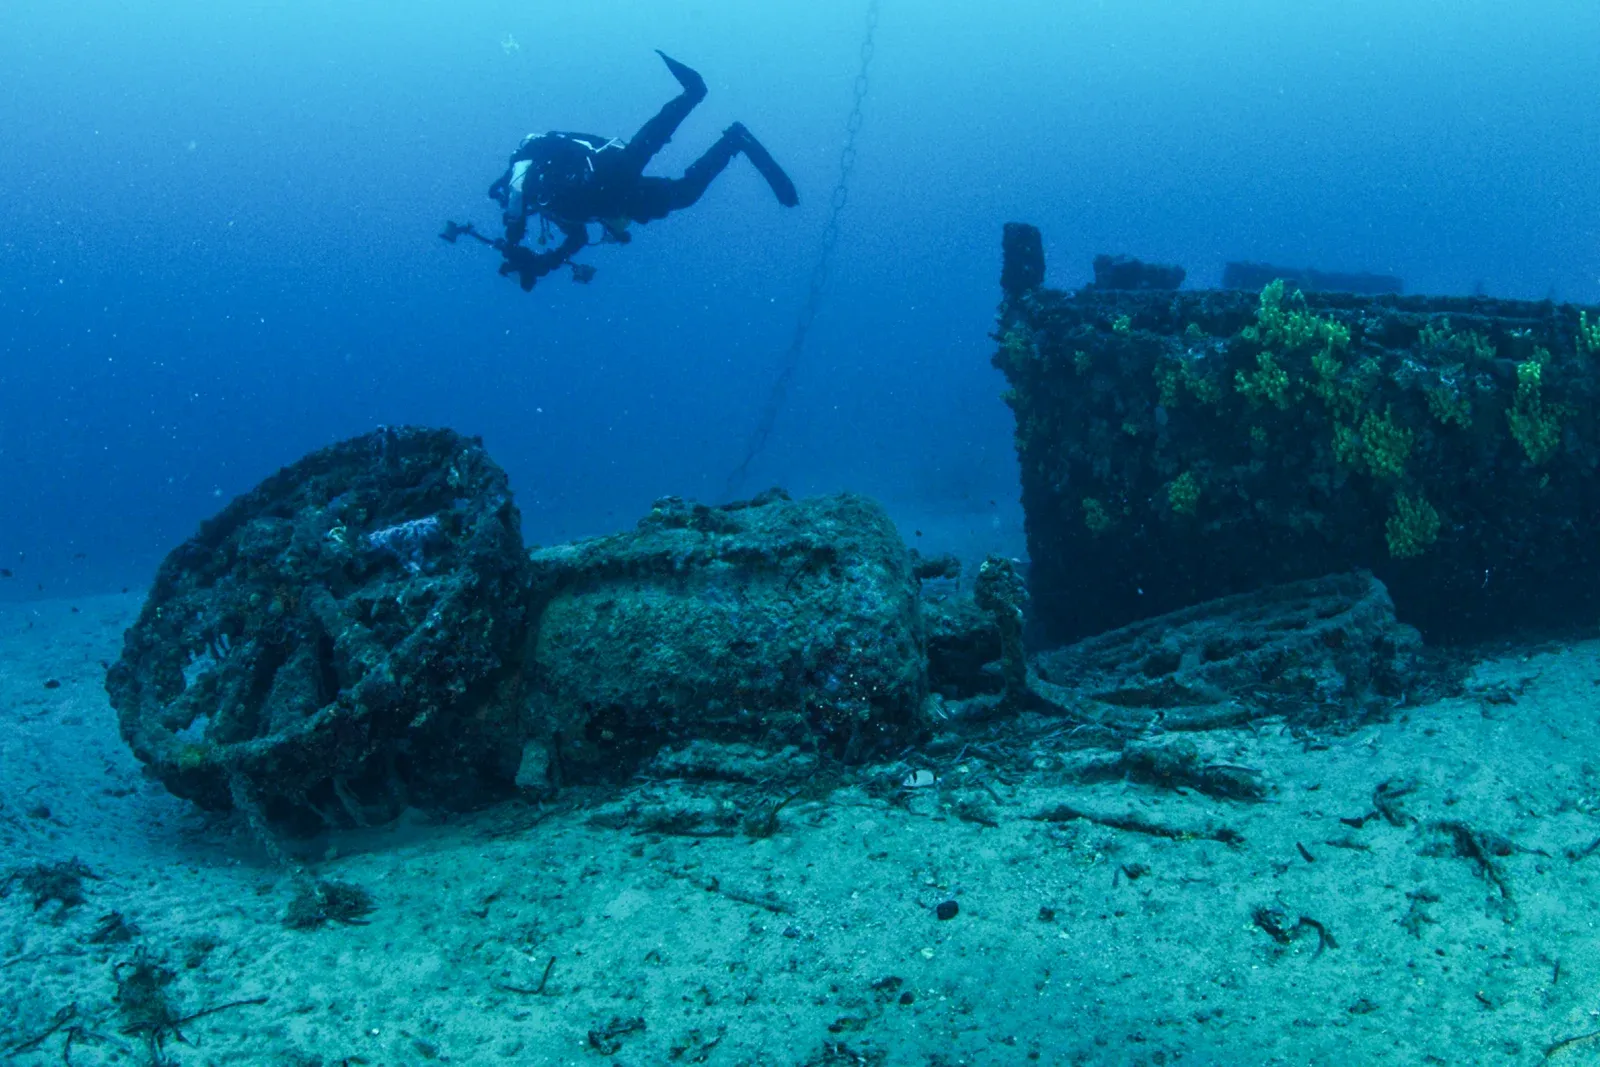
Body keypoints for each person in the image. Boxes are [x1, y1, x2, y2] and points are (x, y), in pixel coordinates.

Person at [486, 51, 799, 291]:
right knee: (683, 194)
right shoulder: (548, 208)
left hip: (604, 173)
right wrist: (548, 262)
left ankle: (694, 92)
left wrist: (513, 234)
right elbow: (578, 236)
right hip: (615, 201)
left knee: (649, 142)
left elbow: (516, 186)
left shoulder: (524, 172)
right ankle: (734, 140)